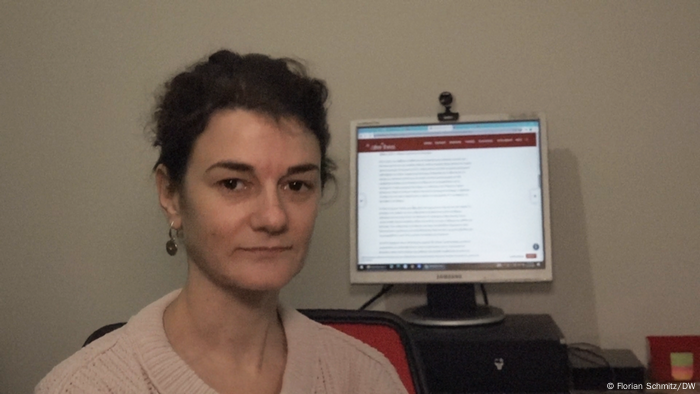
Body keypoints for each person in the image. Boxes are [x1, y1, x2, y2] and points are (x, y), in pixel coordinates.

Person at [36, 50, 408, 394]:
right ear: (171, 195)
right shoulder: (85, 386)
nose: (273, 216)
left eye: (296, 184)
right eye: (233, 183)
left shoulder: (365, 377)